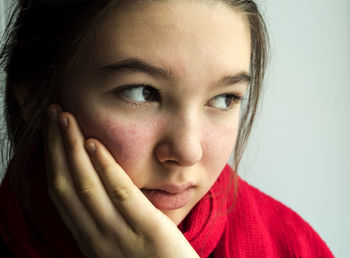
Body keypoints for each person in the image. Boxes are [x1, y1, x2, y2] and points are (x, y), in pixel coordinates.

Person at [0, 0, 334, 257]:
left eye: (224, 98)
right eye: (142, 92)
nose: (188, 151)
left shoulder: (293, 246)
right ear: (33, 97)